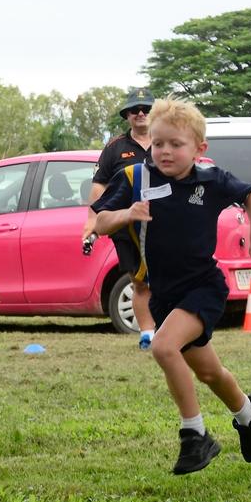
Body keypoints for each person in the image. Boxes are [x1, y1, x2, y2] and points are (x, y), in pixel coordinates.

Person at [93, 98, 251, 475]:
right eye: (159, 143)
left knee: (163, 346)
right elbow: (101, 220)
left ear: (198, 149)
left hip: (204, 287)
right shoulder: (135, 178)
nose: (165, 152)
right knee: (209, 372)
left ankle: (195, 435)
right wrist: (128, 213)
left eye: (176, 144)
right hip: (164, 294)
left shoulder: (210, 179)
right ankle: (247, 412)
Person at [84, 87, 157, 349]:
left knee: (167, 278)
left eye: (146, 109)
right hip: (125, 226)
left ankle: (171, 330)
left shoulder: (165, 141)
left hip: (162, 225)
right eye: (135, 110)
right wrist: (92, 223)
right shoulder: (115, 148)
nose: (140, 114)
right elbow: (99, 188)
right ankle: (147, 334)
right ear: (127, 115)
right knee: (139, 280)